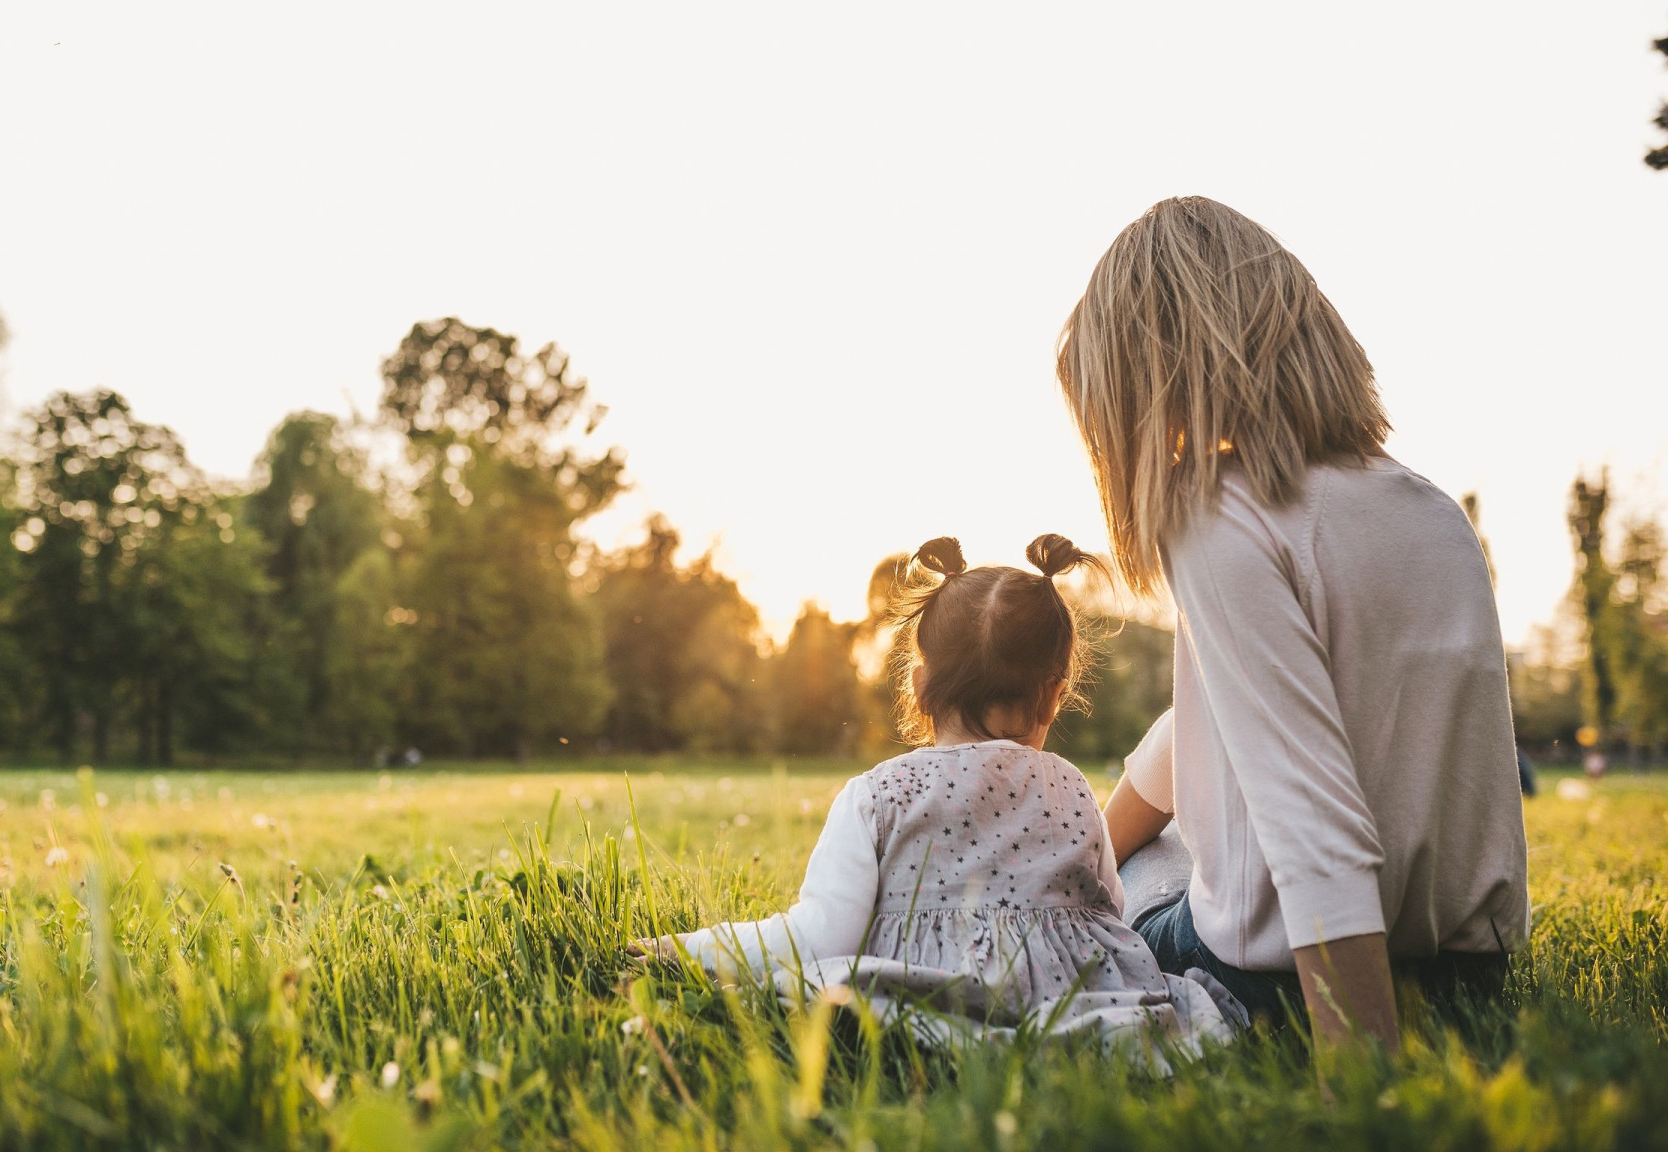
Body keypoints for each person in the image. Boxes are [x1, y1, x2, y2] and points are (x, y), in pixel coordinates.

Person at [1059, 196, 1531, 1049]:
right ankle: (1090, 856)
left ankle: (1061, 883)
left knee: (1129, 884)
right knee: (1173, 794)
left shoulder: (1217, 514)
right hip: (1469, 975)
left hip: (1293, 986)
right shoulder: (1431, 511)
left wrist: (1362, 1082)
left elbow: (1315, 822)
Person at [632, 535, 1243, 1057]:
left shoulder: (877, 795)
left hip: (930, 995)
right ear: (1055, 694)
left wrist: (684, 949)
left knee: (819, 981)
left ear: (919, 686)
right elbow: (1109, 912)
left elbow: (818, 937)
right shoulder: (1071, 786)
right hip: (1076, 998)